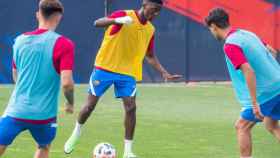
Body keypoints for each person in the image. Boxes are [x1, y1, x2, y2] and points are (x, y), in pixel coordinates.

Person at [64, 0, 181, 157]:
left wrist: (164, 73)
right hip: (104, 67)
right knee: (89, 106)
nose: (155, 14)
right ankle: (76, 132)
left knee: (131, 108)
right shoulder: (124, 15)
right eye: (154, 10)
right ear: (144, 4)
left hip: (127, 73)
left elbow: (150, 55)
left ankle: (128, 152)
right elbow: (97, 23)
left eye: (158, 11)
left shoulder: (150, 30)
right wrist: (116, 20)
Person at [0, 0, 75, 157]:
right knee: (44, 146)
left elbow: (16, 75)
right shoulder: (64, 44)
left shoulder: (19, 40)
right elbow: (67, 83)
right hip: (44, 115)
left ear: (38, 15)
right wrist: (70, 103)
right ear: (59, 17)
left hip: (16, 110)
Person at [205, 8, 280, 158]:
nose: (212, 33)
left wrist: (254, 103)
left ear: (213, 26)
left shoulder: (230, 45)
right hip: (278, 84)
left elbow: (248, 71)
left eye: (210, 30)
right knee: (271, 125)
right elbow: (272, 51)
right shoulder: (247, 34)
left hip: (266, 94)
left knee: (241, 126)